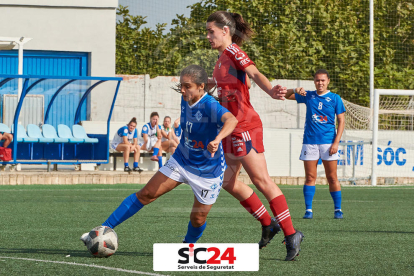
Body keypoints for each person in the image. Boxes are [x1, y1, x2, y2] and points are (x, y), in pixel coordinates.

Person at [81, 65, 238, 245]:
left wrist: (217, 139)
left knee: (198, 219)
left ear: (201, 86)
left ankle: (187, 246)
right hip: (182, 160)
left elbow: (232, 120)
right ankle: (101, 230)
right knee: (146, 194)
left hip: (208, 170)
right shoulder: (186, 97)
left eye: (187, 86)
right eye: (181, 86)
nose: (183, 90)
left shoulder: (210, 105)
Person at [206, 11, 303, 261]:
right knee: (227, 182)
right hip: (230, 127)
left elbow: (255, 74)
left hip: (245, 126)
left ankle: (291, 234)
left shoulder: (235, 52)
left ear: (225, 31)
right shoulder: (220, 58)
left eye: (211, 31)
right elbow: (229, 86)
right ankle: (268, 224)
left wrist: (271, 90)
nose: (208, 36)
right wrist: (202, 85)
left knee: (261, 181)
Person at [285, 69, 346, 219]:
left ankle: (337, 209)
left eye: (323, 80)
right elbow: (285, 96)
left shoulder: (335, 98)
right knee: (310, 177)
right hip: (310, 143)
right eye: (317, 80)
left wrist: (336, 143)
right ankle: (309, 210)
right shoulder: (309, 96)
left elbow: (342, 121)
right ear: (314, 81)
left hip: (328, 143)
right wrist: (294, 89)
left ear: (328, 81)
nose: (320, 83)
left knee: (332, 177)